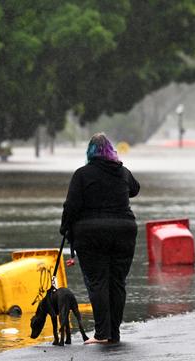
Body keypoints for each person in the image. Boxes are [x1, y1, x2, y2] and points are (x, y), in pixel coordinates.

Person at [60, 132, 140, 345]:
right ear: (111, 151)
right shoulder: (122, 172)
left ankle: (102, 334)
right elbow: (135, 189)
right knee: (117, 282)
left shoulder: (82, 174)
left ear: (90, 153)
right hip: (124, 231)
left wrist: (65, 229)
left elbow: (71, 206)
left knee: (98, 282)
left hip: (91, 234)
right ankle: (114, 333)